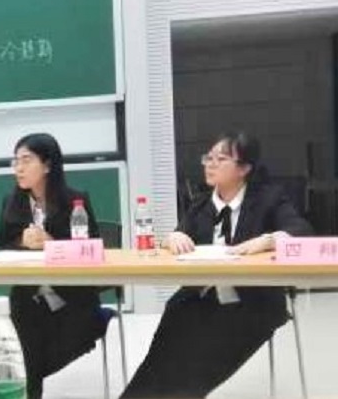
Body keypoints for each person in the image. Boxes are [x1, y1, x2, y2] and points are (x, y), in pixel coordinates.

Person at [121, 131, 313, 399]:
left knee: (193, 364)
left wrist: (268, 240)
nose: (210, 164)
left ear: (244, 168)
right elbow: (178, 234)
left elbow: (301, 230)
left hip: (250, 305)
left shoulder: (268, 199)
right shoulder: (201, 203)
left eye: (220, 159)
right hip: (199, 301)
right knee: (160, 359)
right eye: (208, 158)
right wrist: (172, 237)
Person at [0, 133, 109, 399]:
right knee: (24, 352)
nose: (18, 168)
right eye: (15, 161)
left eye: (26, 160)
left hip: (72, 301)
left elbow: (91, 252)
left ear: (47, 165)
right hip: (29, 301)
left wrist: (52, 244)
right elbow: (0, 250)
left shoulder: (75, 201)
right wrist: (21, 242)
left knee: (27, 361)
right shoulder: (11, 202)